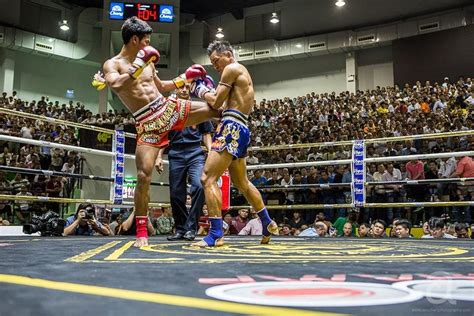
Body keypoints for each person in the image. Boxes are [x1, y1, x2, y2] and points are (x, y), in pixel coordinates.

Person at [98, 17, 219, 247]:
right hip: (146, 122)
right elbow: (116, 85)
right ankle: (141, 232)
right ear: (135, 40)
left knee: (215, 110)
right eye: (146, 40)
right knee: (143, 176)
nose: (148, 44)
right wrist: (138, 66)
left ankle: (235, 130)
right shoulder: (112, 64)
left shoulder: (148, 60)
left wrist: (184, 78)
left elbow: (161, 87)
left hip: (166, 108)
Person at [191, 40, 278, 247]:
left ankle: (215, 234)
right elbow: (222, 106)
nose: (215, 65)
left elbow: (217, 102)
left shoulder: (231, 68)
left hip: (231, 126)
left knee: (207, 178)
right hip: (240, 126)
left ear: (228, 54)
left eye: (216, 60)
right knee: (242, 183)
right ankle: (266, 222)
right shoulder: (241, 73)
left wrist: (200, 89)